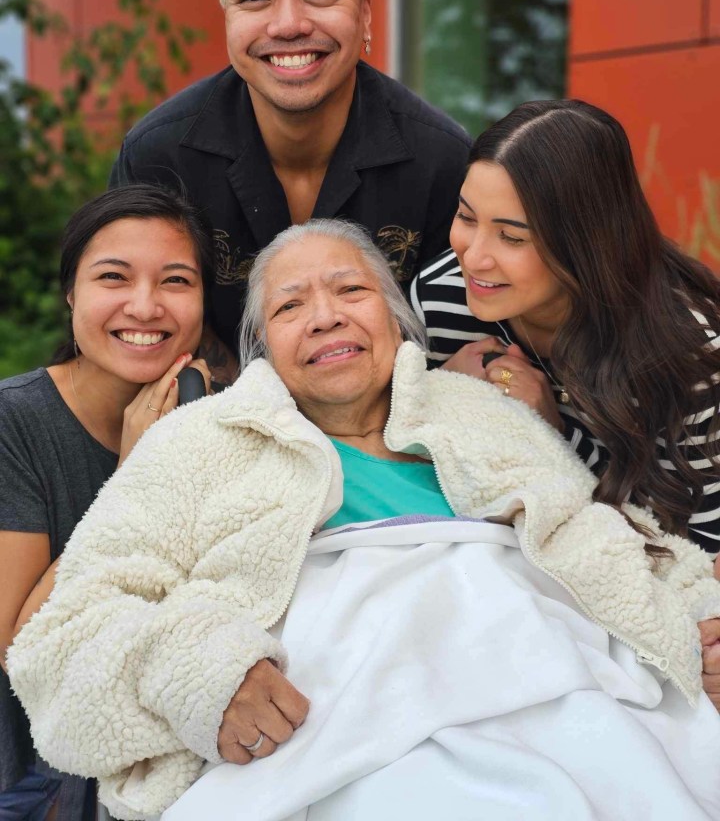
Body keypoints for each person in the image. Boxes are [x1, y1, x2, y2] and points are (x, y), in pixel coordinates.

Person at [8, 219, 720, 820]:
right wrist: (200, 676)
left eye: (351, 290)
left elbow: (610, 539)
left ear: (397, 318)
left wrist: (699, 620)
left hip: (561, 693)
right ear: (262, 347)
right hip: (335, 736)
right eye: (290, 307)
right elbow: (60, 640)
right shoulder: (200, 444)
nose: (325, 316)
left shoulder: (480, 415)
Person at [109, 0, 470, 378]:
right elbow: (130, 326)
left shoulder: (442, 162)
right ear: (228, 15)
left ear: (365, 12)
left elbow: (458, 349)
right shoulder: (159, 156)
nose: (288, 24)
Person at [411, 99, 720, 558]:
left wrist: (555, 430)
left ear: (587, 243)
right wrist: (439, 394)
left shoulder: (688, 348)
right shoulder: (441, 298)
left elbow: (695, 548)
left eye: (512, 237)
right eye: (466, 218)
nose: (473, 257)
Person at [0, 186, 212, 821]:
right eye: (113, 278)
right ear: (71, 294)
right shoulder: (14, 422)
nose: (144, 306)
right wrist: (131, 477)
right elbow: (16, 646)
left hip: (169, 753)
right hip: (35, 772)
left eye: (175, 280)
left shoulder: (217, 415)